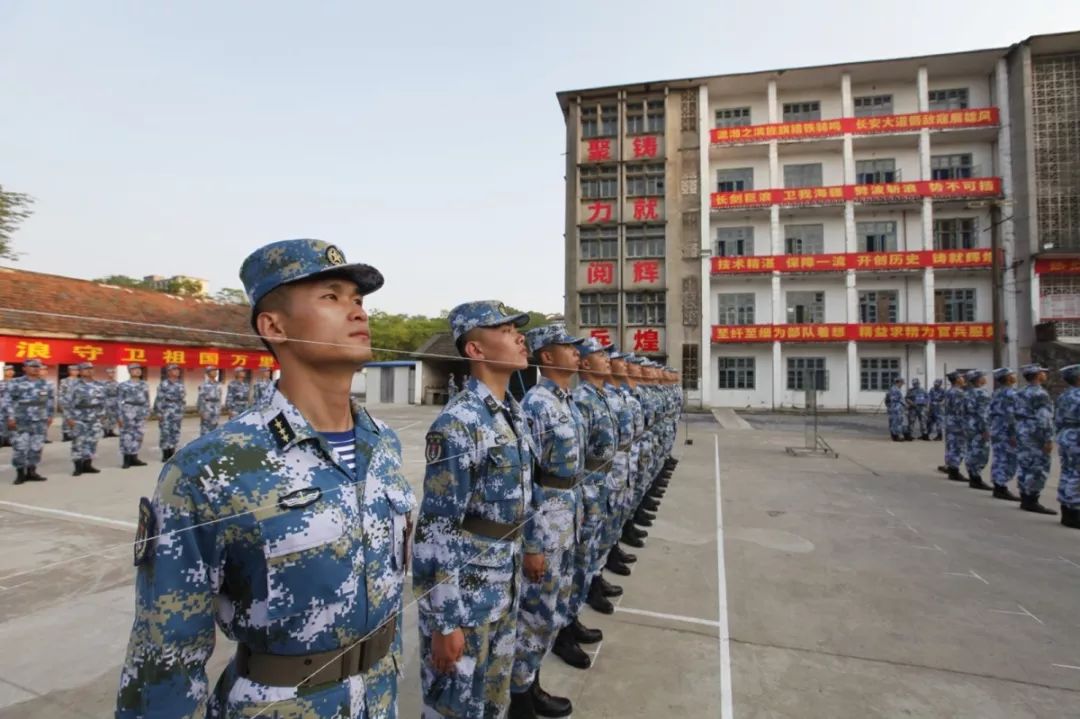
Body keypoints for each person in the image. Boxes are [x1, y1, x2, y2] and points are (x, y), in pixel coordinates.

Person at [116, 238, 415, 718]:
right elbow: (165, 654)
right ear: (273, 326)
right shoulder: (211, 468)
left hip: (380, 695)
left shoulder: (381, 444)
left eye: (358, 300)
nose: (357, 312)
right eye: (331, 297)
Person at [412, 300, 536, 719]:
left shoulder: (512, 416)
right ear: (475, 351)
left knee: (493, 702)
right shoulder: (459, 423)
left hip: (504, 583)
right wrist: (445, 622)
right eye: (504, 330)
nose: (520, 337)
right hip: (465, 599)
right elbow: (435, 530)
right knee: (456, 706)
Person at [508, 325, 585, 718]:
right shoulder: (537, 405)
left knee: (550, 610)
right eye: (568, 347)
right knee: (535, 615)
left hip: (566, 517)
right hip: (545, 526)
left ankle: (530, 683)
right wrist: (533, 543)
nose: (577, 352)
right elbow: (530, 478)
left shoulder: (565, 400)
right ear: (548, 356)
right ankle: (520, 696)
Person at [571, 337, 622, 620]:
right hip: (587, 486)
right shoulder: (581, 399)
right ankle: (572, 615)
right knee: (580, 553)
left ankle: (594, 580)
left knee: (595, 542)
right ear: (586, 362)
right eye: (601, 355)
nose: (607, 359)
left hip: (602, 481)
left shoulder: (599, 396)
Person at [1015, 363, 1057, 515]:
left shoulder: (1021, 392)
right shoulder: (1040, 394)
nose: (1045, 375)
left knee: (1025, 464)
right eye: (1042, 372)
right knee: (1038, 467)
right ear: (1037, 375)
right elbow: (1044, 419)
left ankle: (1025, 496)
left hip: (1022, 430)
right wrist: (1048, 439)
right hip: (1035, 433)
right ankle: (1032, 499)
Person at [4, 359, 52, 484]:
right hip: (21, 420)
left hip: (39, 421)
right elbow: (7, 401)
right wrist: (10, 417)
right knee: (20, 447)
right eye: (32, 366)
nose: (35, 368)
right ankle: (20, 473)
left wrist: (50, 416)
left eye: (38, 366)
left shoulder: (45, 384)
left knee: (36, 447)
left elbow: (49, 401)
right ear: (24, 368)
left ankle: (32, 472)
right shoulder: (15, 383)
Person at [989, 368, 1021, 501]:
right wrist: (1013, 434)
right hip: (1006, 431)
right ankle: (1001, 487)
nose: (1014, 376)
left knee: (999, 457)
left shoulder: (997, 392)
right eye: (1012, 375)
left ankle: (998, 485)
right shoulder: (1011, 394)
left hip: (997, 429)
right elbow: (1010, 415)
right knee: (1007, 459)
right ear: (1008, 378)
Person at [69, 362, 106, 476]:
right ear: (80, 371)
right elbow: (67, 403)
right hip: (79, 417)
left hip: (95, 417)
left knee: (92, 441)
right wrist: (69, 418)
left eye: (91, 368)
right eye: (85, 369)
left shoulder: (99, 385)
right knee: (78, 442)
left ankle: (88, 464)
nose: (89, 371)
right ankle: (78, 466)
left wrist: (103, 415)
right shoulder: (74, 386)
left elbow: (103, 402)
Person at [1055, 364, 1080, 529]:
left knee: (1068, 472)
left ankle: (1066, 511)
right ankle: (1074, 512)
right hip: (1077, 436)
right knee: (1077, 475)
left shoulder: (1064, 396)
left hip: (1065, 435)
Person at [961, 370, 993, 490]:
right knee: (981, 452)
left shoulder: (967, 393)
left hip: (969, 426)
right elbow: (983, 414)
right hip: (979, 427)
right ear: (979, 379)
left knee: (971, 450)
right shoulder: (981, 394)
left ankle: (973, 476)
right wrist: (986, 429)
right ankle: (976, 478)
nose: (985, 378)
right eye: (983, 377)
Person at [117, 362, 150, 468]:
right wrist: (119, 416)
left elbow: (147, 399)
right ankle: (126, 459)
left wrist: (147, 412)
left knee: (138, 435)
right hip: (128, 412)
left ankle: (134, 457)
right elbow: (118, 401)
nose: (138, 371)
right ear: (130, 371)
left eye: (139, 369)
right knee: (126, 435)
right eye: (135, 369)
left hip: (140, 412)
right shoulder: (123, 385)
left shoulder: (144, 384)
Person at [939, 371, 969, 482]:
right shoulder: (958, 393)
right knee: (958, 447)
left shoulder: (950, 391)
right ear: (957, 380)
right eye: (961, 377)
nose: (963, 379)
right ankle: (954, 471)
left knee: (951, 446)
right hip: (957, 424)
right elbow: (959, 411)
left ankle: (951, 469)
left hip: (950, 422)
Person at [153, 364, 186, 461]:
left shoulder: (180, 384)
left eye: (178, 369)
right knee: (165, 432)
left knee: (175, 431)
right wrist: (159, 413)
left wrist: (181, 411)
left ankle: (172, 452)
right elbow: (159, 399)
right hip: (166, 411)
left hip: (177, 411)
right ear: (169, 372)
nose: (177, 371)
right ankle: (165, 454)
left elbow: (182, 399)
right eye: (174, 369)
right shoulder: (164, 384)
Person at [197, 366, 223, 435]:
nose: (215, 372)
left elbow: (220, 397)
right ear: (208, 373)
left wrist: (219, 408)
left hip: (216, 408)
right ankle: (203, 444)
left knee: (215, 428)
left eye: (216, 371)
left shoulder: (219, 384)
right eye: (212, 371)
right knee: (205, 428)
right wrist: (201, 411)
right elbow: (200, 398)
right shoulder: (204, 385)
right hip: (207, 408)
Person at [59, 364, 80, 442]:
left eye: (76, 370)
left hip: (77, 404)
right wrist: (60, 403)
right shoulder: (64, 381)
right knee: (66, 419)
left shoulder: (81, 381)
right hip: (66, 403)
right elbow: (61, 393)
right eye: (73, 370)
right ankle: (65, 435)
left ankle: (74, 433)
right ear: (69, 371)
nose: (75, 372)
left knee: (76, 418)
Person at [885, 377, 909, 441]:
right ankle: (897, 436)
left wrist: (889, 407)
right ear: (899, 382)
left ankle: (894, 436)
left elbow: (887, 400)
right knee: (897, 422)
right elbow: (897, 399)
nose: (902, 385)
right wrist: (905, 404)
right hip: (896, 408)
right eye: (902, 383)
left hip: (893, 408)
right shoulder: (895, 390)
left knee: (893, 422)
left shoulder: (892, 389)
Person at [102, 366, 121, 437]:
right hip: (106, 402)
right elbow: (102, 393)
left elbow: (119, 393)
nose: (111, 374)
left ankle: (111, 431)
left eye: (113, 373)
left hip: (115, 402)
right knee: (106, 417)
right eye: (109, 373)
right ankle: (105, 431)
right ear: (107, 374)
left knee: (113, 417)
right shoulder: (104, 383)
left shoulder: (117, 383)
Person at [0, 365, 15, 448]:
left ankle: (10, 440)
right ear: (4, 372)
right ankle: (2, 440)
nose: (9, 372)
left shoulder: (16, 383)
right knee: (1, 424)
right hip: (1, 407)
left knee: (12, 424)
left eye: (11, 370)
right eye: (7, 370)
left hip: (13, 408)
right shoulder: (0, 383)